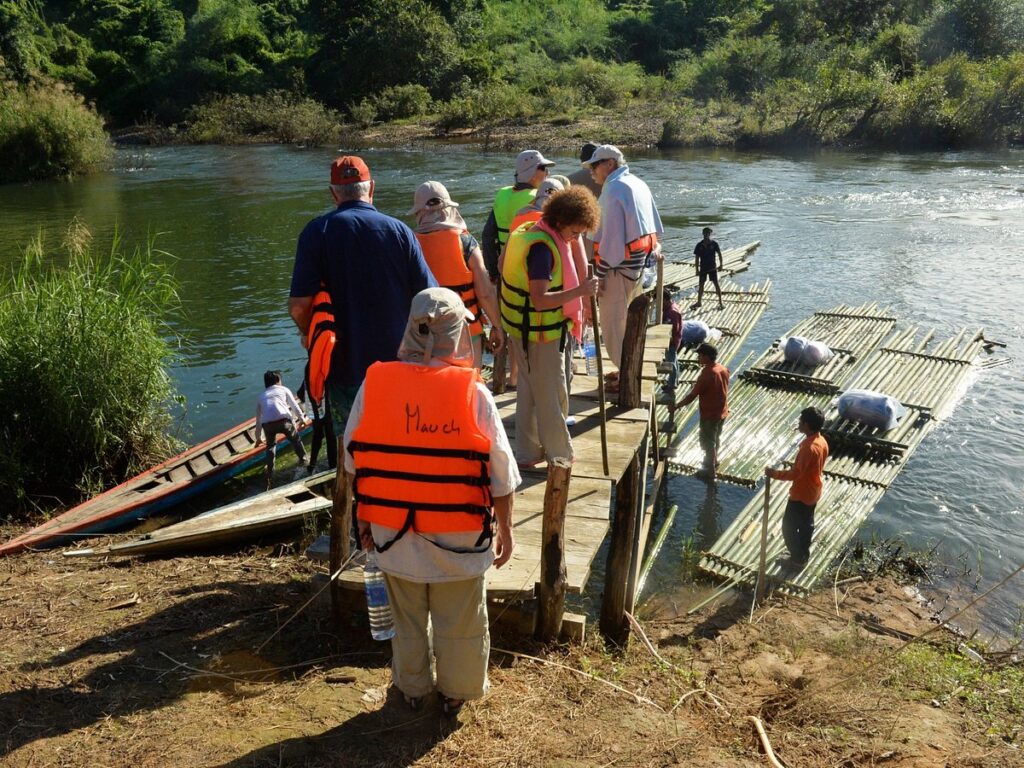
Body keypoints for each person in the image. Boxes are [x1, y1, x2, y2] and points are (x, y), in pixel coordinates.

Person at [345, 287, 519, 717]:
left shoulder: (375, 383)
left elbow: (354, 461)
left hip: (392, 536)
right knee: (460, 622)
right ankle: (455, 692)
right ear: (458, 333)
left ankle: (412, 688)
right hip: (458, 537)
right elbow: (502, 475)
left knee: (406, 620)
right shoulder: (472, 393)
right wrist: (508, 529)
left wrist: (364, 517)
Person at [288, 154, 436, 440]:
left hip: (344, 368)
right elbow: (430, 297)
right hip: (398, 364)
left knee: (351, 448)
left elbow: (298, 306)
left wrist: (308, 333)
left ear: (333, 194)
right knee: (398, 439)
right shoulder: (400, 231)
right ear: (372, 188)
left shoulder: (316, 232)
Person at [499, 186, 598, 466]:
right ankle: (560, 455)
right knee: (551, 397)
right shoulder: (542, 249)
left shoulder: (534, 229)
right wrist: (581, 291)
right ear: (561, 220)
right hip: (540, 333)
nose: (575, 239)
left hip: (523, 329)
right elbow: (540, 300)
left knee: (529, 392)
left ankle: (528, 453)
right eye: (575, 233)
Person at [582, 144, 664, 392]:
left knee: (612, 329)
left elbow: (611, 244)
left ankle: (627, 379)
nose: (592, 172)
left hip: (617, 271)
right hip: (637, 269)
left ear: (609, 164)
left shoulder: (614, 189)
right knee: (627, 326)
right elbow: (655, 229)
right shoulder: (638, 183)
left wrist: (599, 274)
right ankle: (625, 371)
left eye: (595, 166)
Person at [408, 181, 504, 369]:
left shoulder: (410, 243)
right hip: (465, 329)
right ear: (449, 208)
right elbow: (485, 293)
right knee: (466, 388)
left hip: (424, 333)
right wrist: (497, 326)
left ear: (419, 212)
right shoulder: (466, 242)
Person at [767, 406, 829, 568]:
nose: (799, 423)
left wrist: (774, 474)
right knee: (806, 525)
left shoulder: (808, 448)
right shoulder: (821, 441)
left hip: (801, 494)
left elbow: (796, 474)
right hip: (813, 491)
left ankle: (797, 559)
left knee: (788, 528)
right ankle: (803, 555)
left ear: (807, 424)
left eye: (801, 421)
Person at [480, 149, 555, 281]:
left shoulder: (502, 194)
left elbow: (487, 237)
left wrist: (493, 272)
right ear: (532, 173)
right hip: (533, 268)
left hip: (505, 266)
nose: (547, 173)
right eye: (543, 168)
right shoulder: (539, 198)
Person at [678, 342, 729, 475]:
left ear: (706, 356)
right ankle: (713, 461)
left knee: (707, 441)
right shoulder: (723, 369)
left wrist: (677, 406)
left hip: (710, 414)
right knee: (715, 437)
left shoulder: (707, 374)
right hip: (722, 411)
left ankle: (710, 470)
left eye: (699, 355)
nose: (698, 358)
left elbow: (692, 396)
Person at [254, 370, 308, 486]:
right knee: (295, 440)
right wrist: (302, 420)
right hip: (284, 422)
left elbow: (258, 420)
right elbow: (294, 406)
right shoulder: (284, 389)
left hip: (267, 425)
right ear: (278, 381)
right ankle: (303, 460)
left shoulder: (261, 396)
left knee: (271, 447)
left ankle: (270, 472)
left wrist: (258, 437)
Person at [693, 226, 725, 310]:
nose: (706, 235)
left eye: (708, 233)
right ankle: (699, 302)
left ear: (710, 234)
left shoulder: (714, 244)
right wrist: (696, 270)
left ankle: (721, 302)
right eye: (705, 233)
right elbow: (696, 258)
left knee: (716, 284)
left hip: (712, 267)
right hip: (703, 268)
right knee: (701, 285)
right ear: (703, 234)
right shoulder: (699, 245)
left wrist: (721, 265)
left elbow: (719, 254)